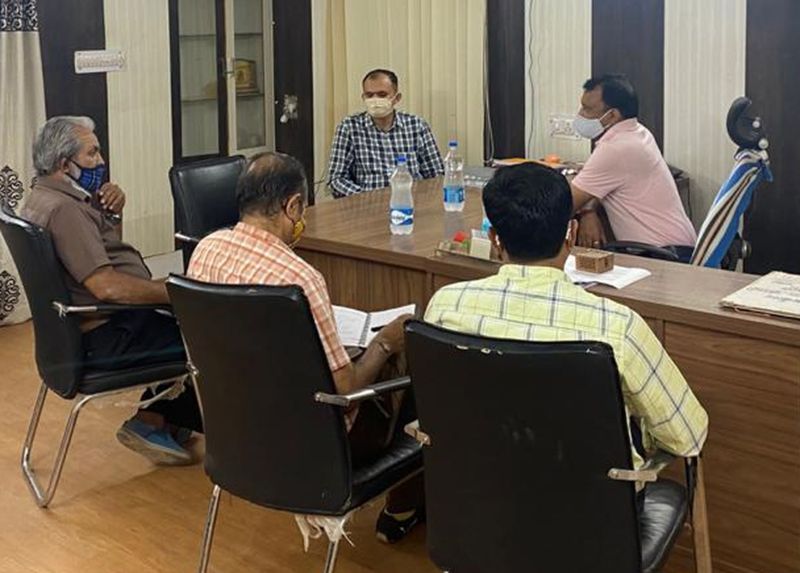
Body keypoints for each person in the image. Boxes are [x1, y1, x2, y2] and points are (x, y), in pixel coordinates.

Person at [188, 151, 423, 543]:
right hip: (312, 452)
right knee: (418, 366)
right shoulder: (300, 278)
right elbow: (345, 392)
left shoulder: (207, 249)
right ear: (293, 205)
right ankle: (404, 506)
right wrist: (385, 343)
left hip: (233, 436)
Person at [425, 163, 708, 475]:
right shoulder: (616, 326)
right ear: (571, 234)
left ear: (494, 239)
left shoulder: (446, 306)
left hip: (476, 489)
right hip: (592, 501)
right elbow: (688, 436)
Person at [23, 116, 202, 465]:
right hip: (106, 337)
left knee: (183, 318)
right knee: (205, 333)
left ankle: (169, 417)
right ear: (64, 164)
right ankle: (150, 421)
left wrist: (112, 216)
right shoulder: (65, 211)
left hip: (74, 334)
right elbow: (106, 286)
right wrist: (178, 293)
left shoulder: (43, 198)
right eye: (92, 153)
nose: (101, 161)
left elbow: (103, 256)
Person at [570, 74, 697, 260]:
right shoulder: (638, 133)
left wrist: (583, 209)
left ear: (612, 115)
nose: (580, 114)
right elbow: (596, 187)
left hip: (661, 256)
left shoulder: (615, 149)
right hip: (679, 247)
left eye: (587, 109)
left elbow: (565, 204)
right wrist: (588, 211)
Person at [327, 68, 444, 198]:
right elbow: (336, 180)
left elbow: (437, 175)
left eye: (382, 94)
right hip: (368, 204)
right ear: (363, 97)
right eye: (369, 95)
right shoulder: (350, 127)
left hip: (411, 201)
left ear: (397, 98)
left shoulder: (416, 125)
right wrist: (365, 197)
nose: (375, 100)